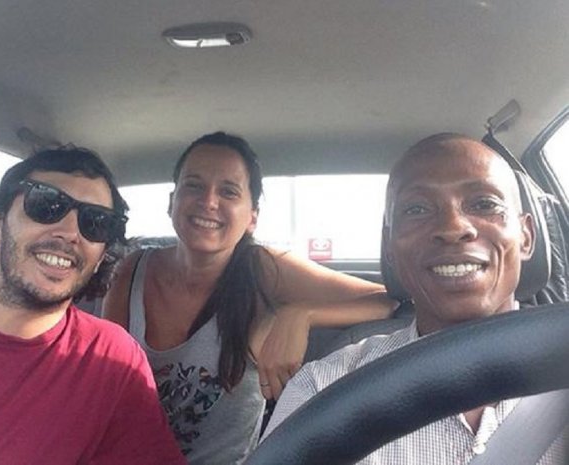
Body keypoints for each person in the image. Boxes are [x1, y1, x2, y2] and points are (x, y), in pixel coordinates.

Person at [263, 133, 566, 463]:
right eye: (417, 209)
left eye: (484, 204)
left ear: (526, 236)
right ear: (390, 248)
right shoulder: (323, 390)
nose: (453, 227)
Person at [102, 131, 397, 464]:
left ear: (252, 217)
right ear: (172, 201)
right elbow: (107, 388)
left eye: (228, 191)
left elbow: (389, 301)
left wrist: (301, 314)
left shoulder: (263, 269)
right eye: (194, 186)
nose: (208, 201)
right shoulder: (131, 270)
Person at [0, 147, 186, 464]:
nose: (70, 233)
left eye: (95, 222)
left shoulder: (112, 358)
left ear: (101, 257)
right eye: (46, 205)